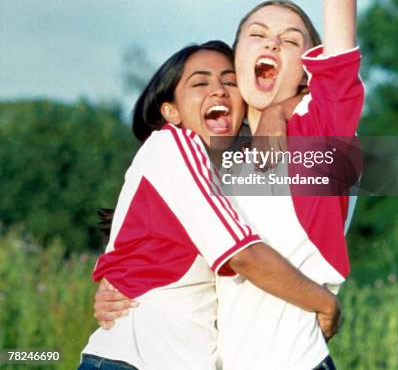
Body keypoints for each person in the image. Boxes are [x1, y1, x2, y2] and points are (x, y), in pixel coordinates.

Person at [93, 0, 375, 369]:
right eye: (257, 34)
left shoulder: (324, 127)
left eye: (291, 40)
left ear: (309, 69)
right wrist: (115, 289)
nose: (273, 41)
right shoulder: (216, 160)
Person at [79, 40, 341, 370]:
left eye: (230, 82)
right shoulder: (173, 144)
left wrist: (278, 109)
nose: (217, 91)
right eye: (199, 83)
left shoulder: (226, 175)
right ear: (171, 111)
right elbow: (245, 256)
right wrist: (325, 303)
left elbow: (318, 100)